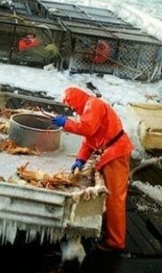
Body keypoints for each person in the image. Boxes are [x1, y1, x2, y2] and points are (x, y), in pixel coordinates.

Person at [52, 86, 133, 252]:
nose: (72, 109)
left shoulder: (93, 104)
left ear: (76, 99)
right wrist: (80, 160)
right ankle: (108, 231)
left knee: (115, 198)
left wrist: (66, 123)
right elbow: (89, 139)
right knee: (109, 196)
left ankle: (116, 242)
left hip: (116, 152)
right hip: (110, 152)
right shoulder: (88, 109)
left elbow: (87, 129)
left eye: (71, 105)